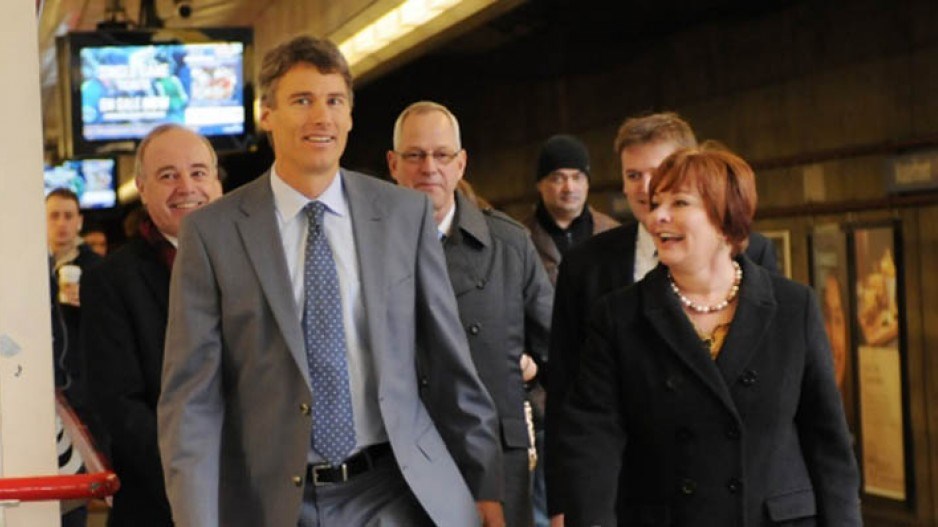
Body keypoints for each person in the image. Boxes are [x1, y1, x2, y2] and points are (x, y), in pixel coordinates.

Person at [157, 36, 504, 527]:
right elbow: (192, 402)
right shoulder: (213, 233)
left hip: (395, 491)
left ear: (349, 116)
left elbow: (450, 366)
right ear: (267, 115)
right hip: (272, 502)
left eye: (334, 101)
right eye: (302, 101)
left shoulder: (404, 215)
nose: (321, 117)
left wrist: (485, 486)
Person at [559, 143, 861, 526]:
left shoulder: (792, 307)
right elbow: (592, 446)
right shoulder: (619, 317)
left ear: (724, 219)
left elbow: (828, 443)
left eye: (679, 203)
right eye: (656, 204)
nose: (657, 218)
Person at [545, 112, 778, 524]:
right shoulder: (585, 265)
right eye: (633, 175)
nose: (646, 188)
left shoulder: (751, 254)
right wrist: (564, 500)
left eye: (659, 172)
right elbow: (566, 387)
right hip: (628, 489)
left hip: (732, 483)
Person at [388, 100, 554, 527]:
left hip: (498, 467)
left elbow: (561, 357)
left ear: (460, 165)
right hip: (399, 464)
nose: (429, 168)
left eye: (442, 156)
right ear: (393, 164)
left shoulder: (510, 245)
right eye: (415, 155)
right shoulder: (368, 249)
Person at [81, 124, 224, 526]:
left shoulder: (257, 262)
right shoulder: (110, 281)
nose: (186, 187)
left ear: (216, 183)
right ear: (142, 189)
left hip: (261, 496)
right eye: (168, 175)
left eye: (198, 173)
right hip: (162, 504)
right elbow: (120, 407)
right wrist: (195, 476)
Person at [46, 187, 103, 527]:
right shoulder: (29, 268)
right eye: (54, 215)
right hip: (41, 393)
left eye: (69, 215)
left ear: (80, 221)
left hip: (82, 396)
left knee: (75, 494)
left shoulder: (98, 270)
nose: (62, 224)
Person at [522, 134, 619, 285]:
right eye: (558, 178)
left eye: (577, 177)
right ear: (540, 184)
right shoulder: (521, 238)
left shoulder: (612, 232)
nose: (569, 188)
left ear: (587, 183)